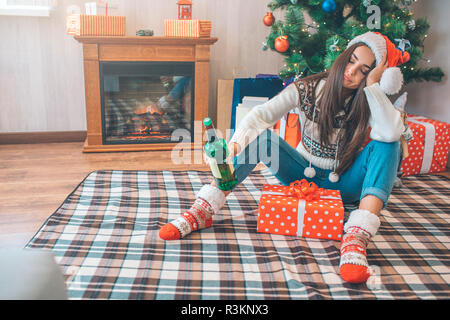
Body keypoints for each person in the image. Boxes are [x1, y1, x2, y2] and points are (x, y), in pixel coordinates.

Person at [158, 31, 410, 284]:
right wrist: (235, 146)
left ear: (376, 76)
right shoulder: (309, 88)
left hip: (345, 185)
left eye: (365, 70)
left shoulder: (372, 99)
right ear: (343, 56)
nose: (352, 71)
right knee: (265, 139)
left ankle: (356, 238)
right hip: (302, 177)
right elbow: (261, 115)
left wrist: (374, 88)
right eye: (351, 60)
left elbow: (390, 133)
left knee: (389, 146)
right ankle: (203, 209)